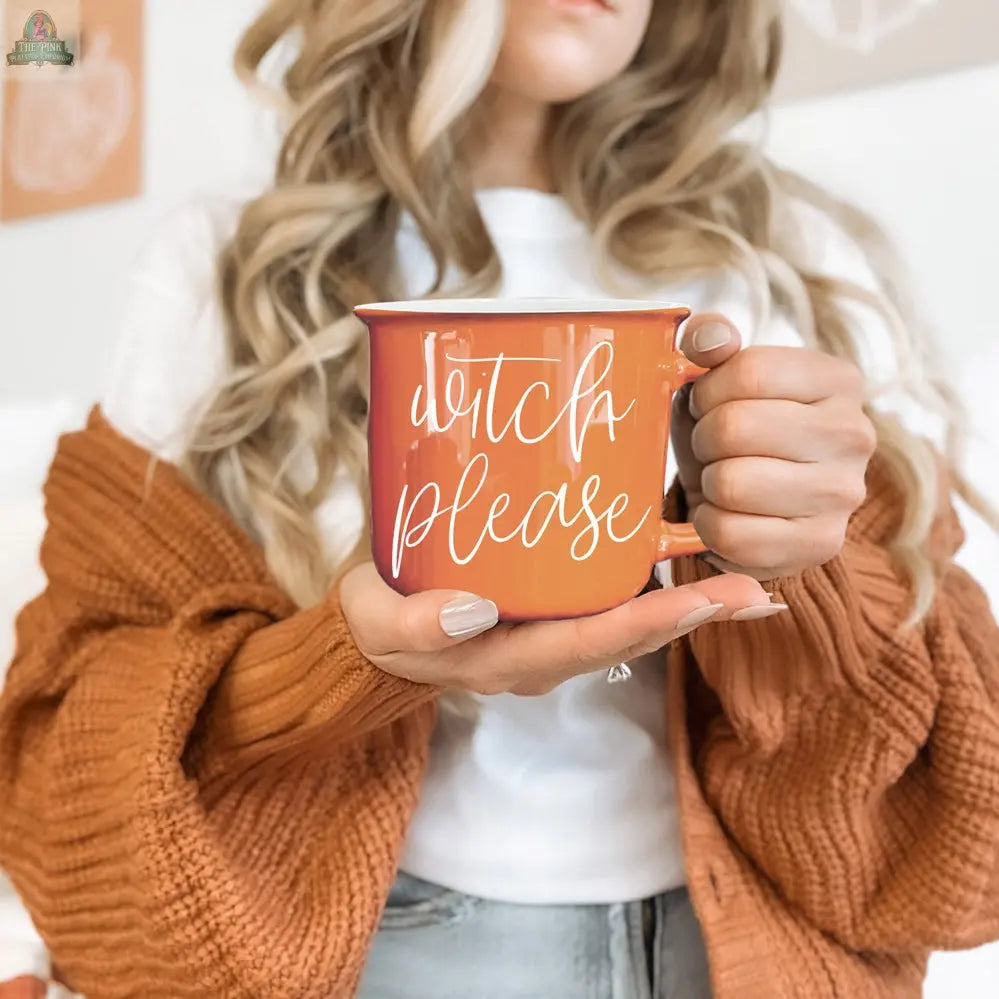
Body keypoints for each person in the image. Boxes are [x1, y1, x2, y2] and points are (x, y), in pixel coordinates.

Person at [1, 1, 997, 997]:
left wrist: (809, 577)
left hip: (747, 960)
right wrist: (342, 663)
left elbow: (958, 840)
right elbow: (60, 776)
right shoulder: (229, 270)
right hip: (380, 951)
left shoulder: (795, 260)